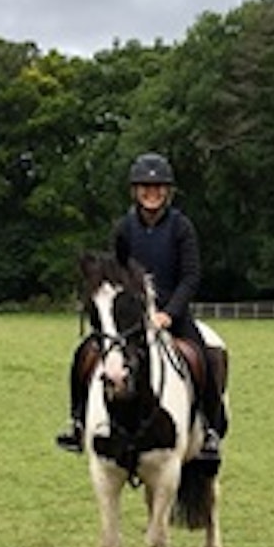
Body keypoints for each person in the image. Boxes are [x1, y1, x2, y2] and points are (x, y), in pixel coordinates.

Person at [55, 152, 227, 463]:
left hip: (171, 313)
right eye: (145, 187)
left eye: (158, 187)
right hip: (130, 317)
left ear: (167, 191)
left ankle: (211, 430)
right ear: (135, 191)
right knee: (85, 354)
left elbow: (190, 276)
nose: (152, 193)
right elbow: (115, 271)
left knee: (204, 356)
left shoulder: (181, 227)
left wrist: (168, 313)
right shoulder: (124, 228)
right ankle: (78, 422)